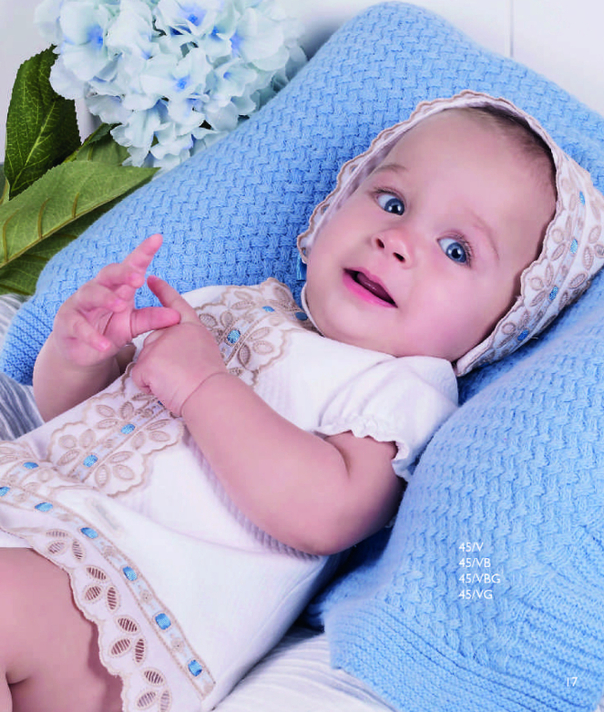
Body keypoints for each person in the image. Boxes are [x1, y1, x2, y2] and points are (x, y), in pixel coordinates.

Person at [0, 90, 602, 712]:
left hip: (119, 605)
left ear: (502, 323)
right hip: (31, 519)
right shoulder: (231, 304)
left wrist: (204, 388)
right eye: (392, 202)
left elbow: (326, 514)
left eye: (457, 251)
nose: (397, 241)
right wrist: (82, 355)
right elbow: (79, 415)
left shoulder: (399, 389)